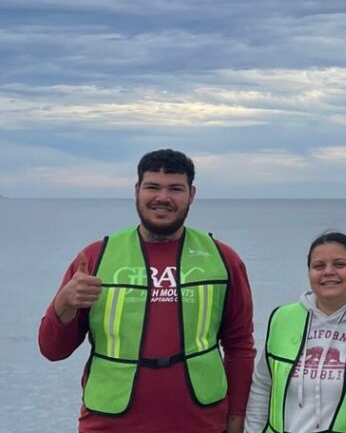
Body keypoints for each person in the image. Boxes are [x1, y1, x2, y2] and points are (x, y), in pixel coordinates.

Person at [38, 149, 255, 433]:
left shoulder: (222, 260)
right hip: (108, 424)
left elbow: (239, 346)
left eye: (175, 189)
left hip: (201, 423)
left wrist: (237, 418)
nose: (162, 197)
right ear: (137, 190)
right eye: (152, 187)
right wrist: (63, 304)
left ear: (191, 194)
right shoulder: (95, 259)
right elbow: (52, 351)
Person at [245, 232, 346, 432]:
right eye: (318, 266)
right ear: (309, 272)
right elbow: (262, 386)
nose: (328, 272)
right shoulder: (282, 318)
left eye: (339, 264)